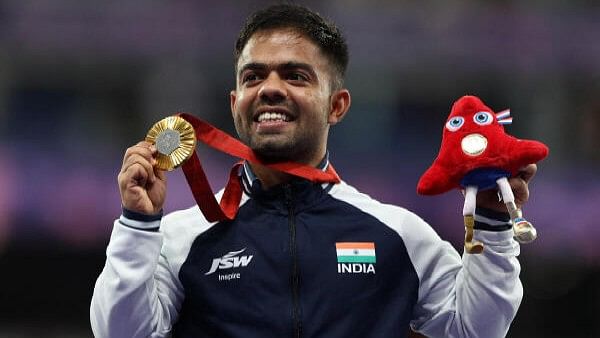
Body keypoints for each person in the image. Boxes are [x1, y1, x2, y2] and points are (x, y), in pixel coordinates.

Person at [91, 4, 536, 338]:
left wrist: (494, 226)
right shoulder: (180, 239)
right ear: (234, 104)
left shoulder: (398, 235)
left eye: (295, 76)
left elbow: (476, 329)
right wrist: (138, 226)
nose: (269, 89)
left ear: (336, 105)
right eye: (253, 77)